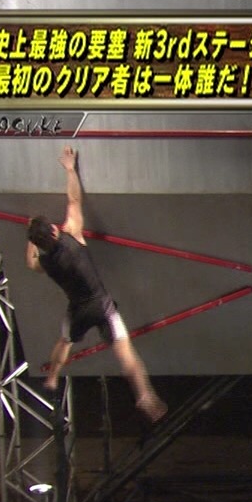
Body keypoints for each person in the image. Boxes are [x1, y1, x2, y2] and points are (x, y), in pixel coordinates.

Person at [26, 145, 166, 423]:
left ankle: (53, 377)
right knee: (126, 353)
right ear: (54, 230)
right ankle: (143, 393)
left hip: (78, 309)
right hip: (101, 305)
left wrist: (30, 238)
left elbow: (31, 264)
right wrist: (70, 169)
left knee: (65, 341)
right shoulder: (72, 234)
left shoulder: (47, 263)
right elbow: (74, 199)